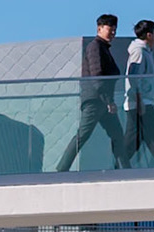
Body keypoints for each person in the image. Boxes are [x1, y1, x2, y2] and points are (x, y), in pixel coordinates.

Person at [54, 14, 128, 171]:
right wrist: (108, 101)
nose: (113, 33)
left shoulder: (102, 48)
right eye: (110, 29)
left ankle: (125, 169)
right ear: (99, 28)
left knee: (117, 136)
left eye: (115, 30)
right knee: (83, 135)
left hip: (102, 100)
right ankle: (61, 170)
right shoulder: (95, 47)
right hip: (96, 100)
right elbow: (97, 76)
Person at [122, 19, 154, 167]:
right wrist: (139, 102)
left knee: (135, 141)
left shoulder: (146, 52)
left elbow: (146, 81)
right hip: (141, 104)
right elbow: (133, 77)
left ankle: (118, 165)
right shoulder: (139, 51)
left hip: (143, 102)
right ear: (149, 35)